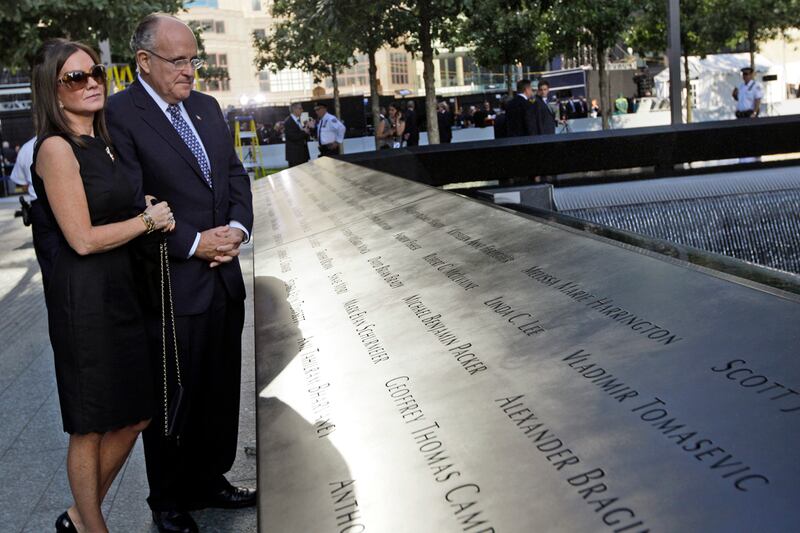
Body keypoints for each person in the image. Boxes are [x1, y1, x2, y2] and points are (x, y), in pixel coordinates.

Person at [105, 14, 255, 533]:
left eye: (195, 59)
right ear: (143, 62)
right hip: (170, 284)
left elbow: (234, 174)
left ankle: (211, 478)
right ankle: (168, 500)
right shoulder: (119, 116)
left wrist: (236, 228)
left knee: (219, 386)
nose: (191, 70)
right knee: (174, 396)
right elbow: (127, 201)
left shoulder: (208, 108)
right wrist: (194, 243)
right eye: (179, 61)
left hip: (223, 277)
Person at [30, 38, 175, 533]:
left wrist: (140, 208)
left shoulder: (104, 140)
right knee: (89, 423)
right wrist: (149, 222)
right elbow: (83, 239)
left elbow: (109, 206)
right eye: (76, 77)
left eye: (96, 73)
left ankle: (75, 516)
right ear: (52, 90)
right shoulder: (55, 147)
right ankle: (93, 526)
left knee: (135, 415)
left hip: (122, 293)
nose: (91, 82)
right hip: (83, 302)